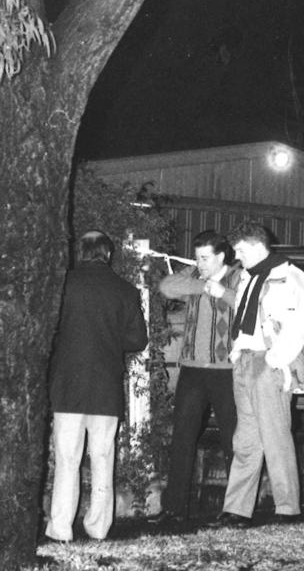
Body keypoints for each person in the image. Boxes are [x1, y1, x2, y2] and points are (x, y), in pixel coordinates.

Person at [208, 222, 304, 528]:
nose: (237, 257)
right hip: (244, 362)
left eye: (240, 250)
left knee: (275, 437)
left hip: (268, 365)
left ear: (256, 246)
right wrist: (238, 352)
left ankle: (288, 509)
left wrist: (274, 359)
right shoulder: (247, 277)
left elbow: (301, 326)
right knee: (245, 441)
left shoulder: (289, 277)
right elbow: (245, 316)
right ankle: (237, 510)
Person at [46, 231, 149, 542]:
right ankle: (99, 527)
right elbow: (137, 340)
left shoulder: (63, 285)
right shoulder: (125, 291)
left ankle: (61, 528)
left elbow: (48, 330)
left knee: (67, 458)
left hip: (68, 385)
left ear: (80, 251)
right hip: (105, 386)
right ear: (108, 254)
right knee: (103, 458)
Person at [148, 230, 243, 524]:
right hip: (191, 370)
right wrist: (202, 285)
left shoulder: (238, 277)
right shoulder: (195, 275)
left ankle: (234, 509)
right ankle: (174, 508)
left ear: (221, 257)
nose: (199, 262)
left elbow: (247, 305)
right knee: (182, 439)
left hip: (226, 371)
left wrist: (221, 292)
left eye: (204, 258)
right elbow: (166, 286)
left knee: (232, 440)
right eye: (197, 257)